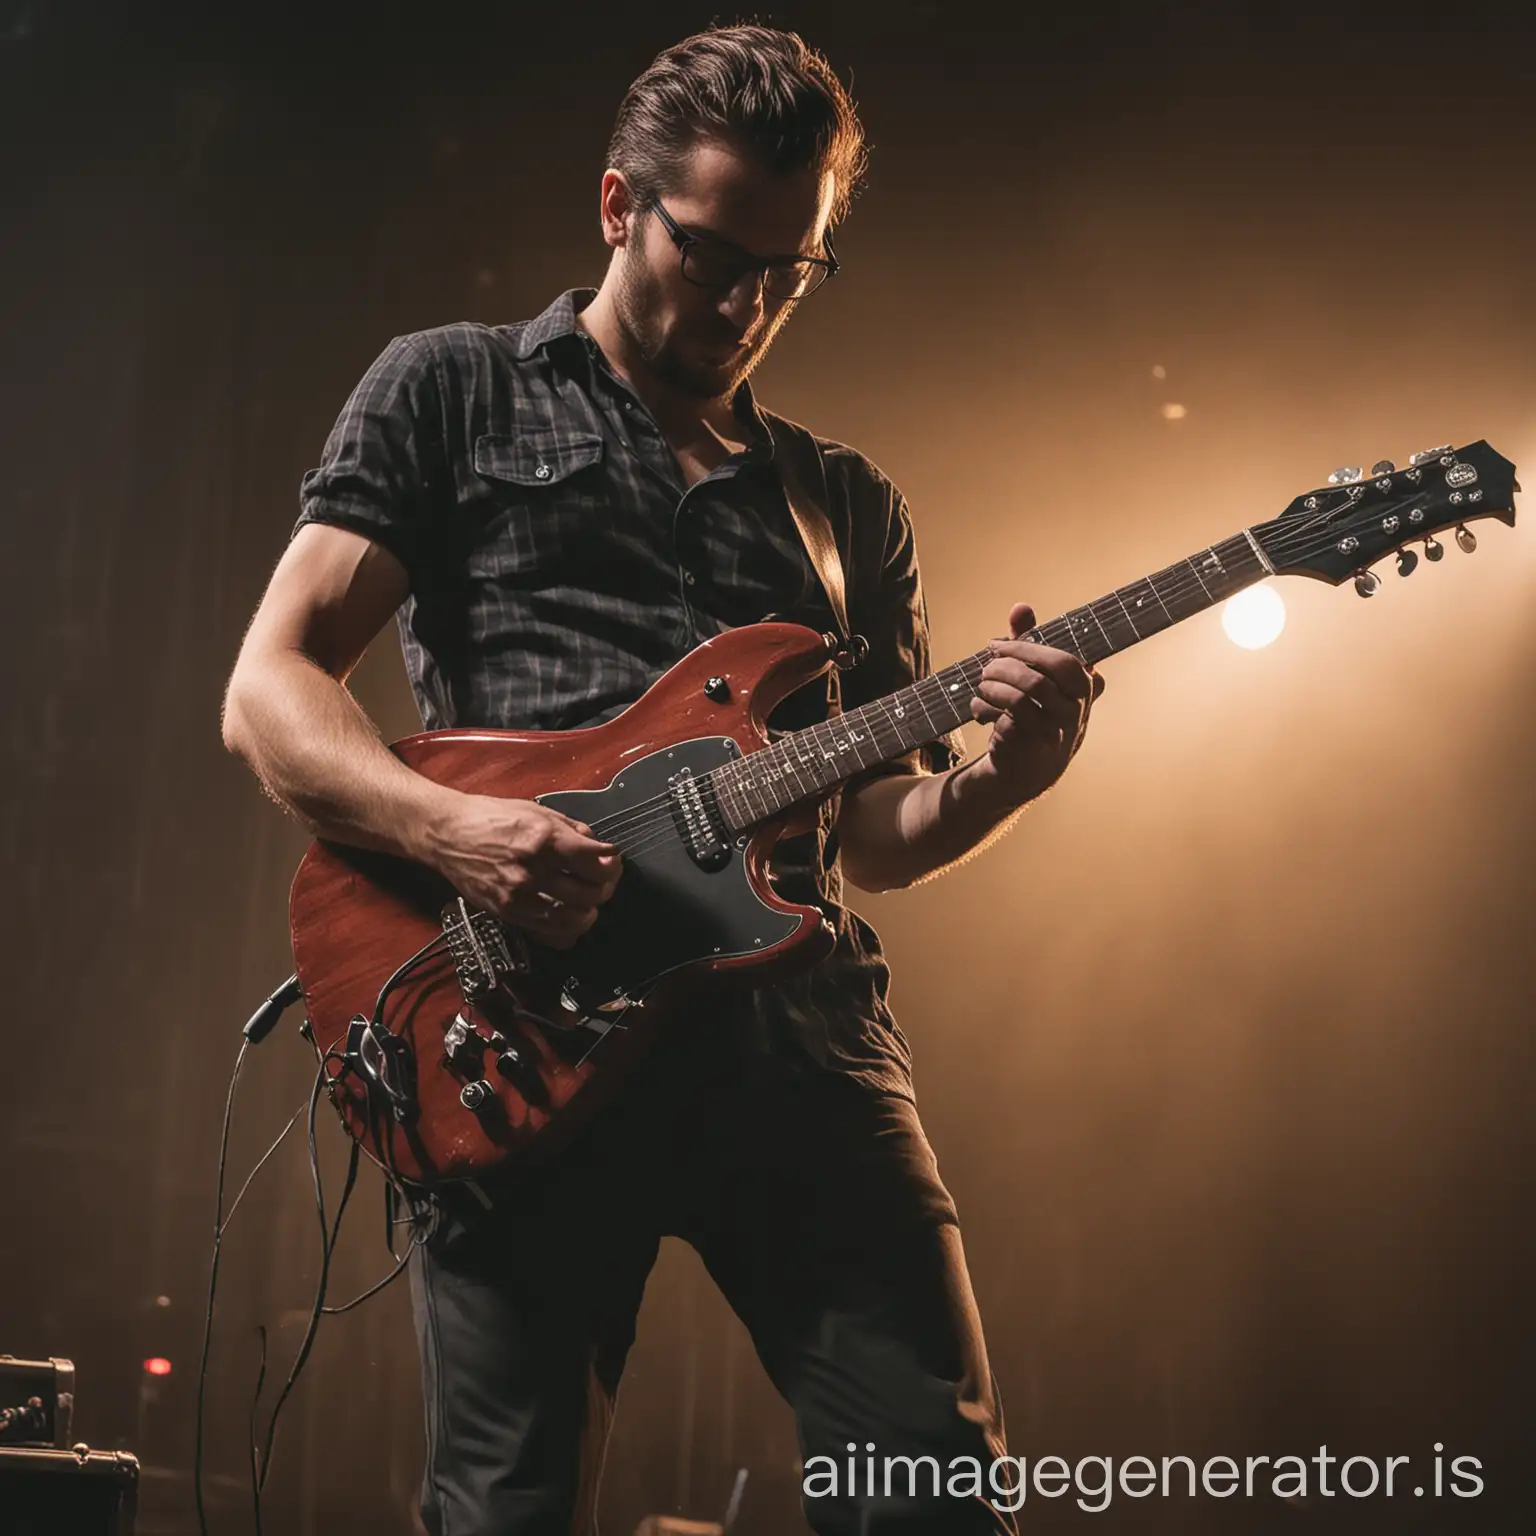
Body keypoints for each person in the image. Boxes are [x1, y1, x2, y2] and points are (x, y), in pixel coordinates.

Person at [221, 24, 1102, 1535]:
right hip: (521, 1028)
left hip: (801, 1054)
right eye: (716, 255)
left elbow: (878, 835)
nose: (749, 302)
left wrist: (1012, 774)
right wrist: (461, 836)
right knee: (510, 1513)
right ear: (622, 206)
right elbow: (268, 689)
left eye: (792, 267)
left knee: (937, 1500)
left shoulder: (845, 508)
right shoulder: (457, 392)